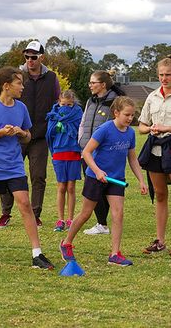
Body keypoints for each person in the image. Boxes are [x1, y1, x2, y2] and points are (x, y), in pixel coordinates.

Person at [0, 66, 54, 269]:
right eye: (19, 83)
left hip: (14, 167)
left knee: (24, 204)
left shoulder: (21, 108)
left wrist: (21, 133)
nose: (22, 86)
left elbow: (29, 136)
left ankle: (37, 254)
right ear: (6, 86)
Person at [60, 97, 148, 266]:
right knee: (86, 214)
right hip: (96, 177)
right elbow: (86, 152)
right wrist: (97, 171)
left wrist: (141, 180)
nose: (130, 119)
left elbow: (132, 158)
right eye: (127, 115)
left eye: (132, 115)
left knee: (118, 214)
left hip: (116, 179)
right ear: (116, 113)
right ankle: (66, 243)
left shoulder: (130, 132)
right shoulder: (105, 129)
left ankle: (115, 254)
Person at [0, 40, 60, 228]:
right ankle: (5, 213)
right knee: (7, 174)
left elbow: (58, 102)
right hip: (14, 135)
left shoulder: (51, 77)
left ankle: (35, 214)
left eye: (33, 57)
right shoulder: (16, 75)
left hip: (40, 136)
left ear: (41, 57)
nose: (30, 60)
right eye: (27, 56)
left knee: (38, 176)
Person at [79, 70, 126, 235]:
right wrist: (81, 142)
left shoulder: (114, 102)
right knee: (93, 186)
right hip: (87, 150)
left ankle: (102, 223)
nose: (90, 85)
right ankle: (102, 223)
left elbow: (114, 127)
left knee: (103, 187)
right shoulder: (90, 101)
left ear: (103, 85)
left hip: (102, 152)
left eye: (93, 82)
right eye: (90, 82)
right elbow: (84, 122)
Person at [138, 56, 171, 254]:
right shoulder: (152, 97)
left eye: (168, 75)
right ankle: (160, 240)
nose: (164, 78)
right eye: (161, 75)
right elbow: (141, 125)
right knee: (160, 195)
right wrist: (150, 128)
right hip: (156, 149)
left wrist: (166, 127)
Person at [45, 90, 83, 232]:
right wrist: (57, 125)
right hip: (59, 151)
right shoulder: (53, 115)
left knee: (71, 187)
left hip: (73, 151)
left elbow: (79, 130)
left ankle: (70, 219)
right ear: (58, 103)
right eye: (63, 104)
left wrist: (68, 126)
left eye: (69, 104)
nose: (66, 107)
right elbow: (49, 133)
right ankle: (60, 219)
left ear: (73, 103)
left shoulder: (78, 113)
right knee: (61, 187)